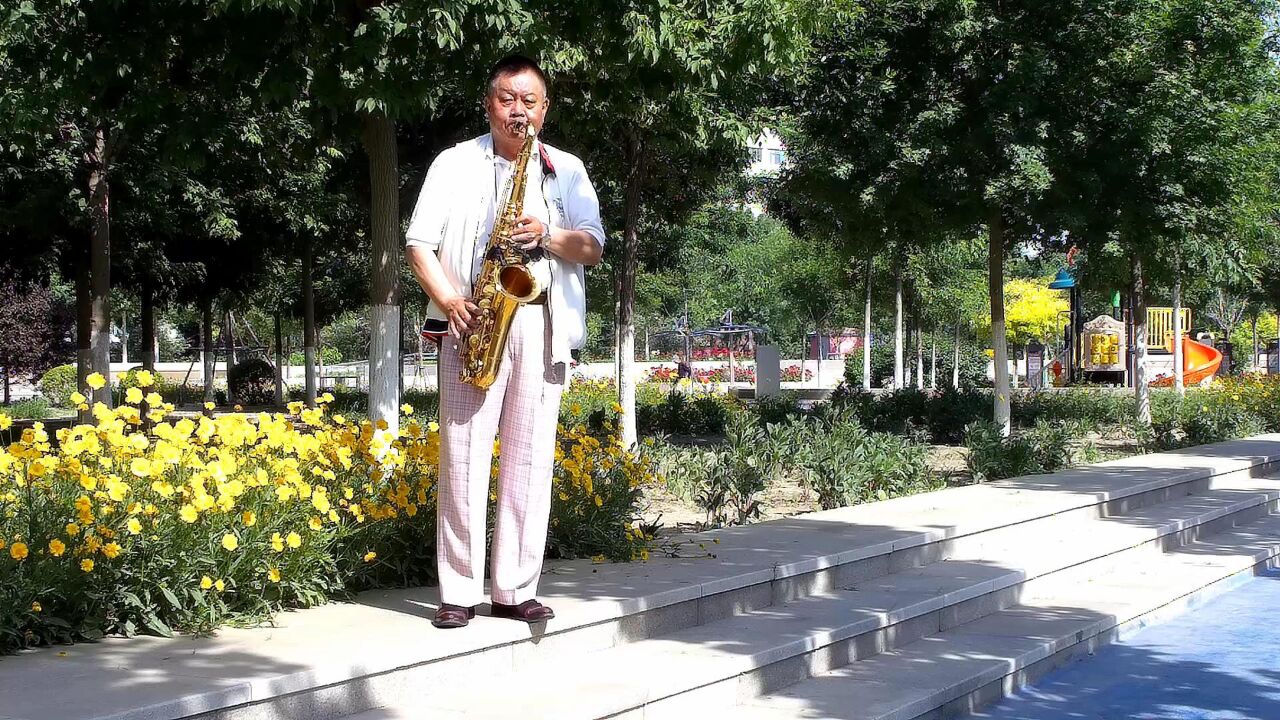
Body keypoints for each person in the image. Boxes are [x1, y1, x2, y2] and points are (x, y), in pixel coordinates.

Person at [405, 55, 605, 629]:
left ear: (545, 109)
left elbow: (592, 247)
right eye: (506, 98)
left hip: (541, 321)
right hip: (474, 319)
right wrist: (449, 301)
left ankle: (515, 589)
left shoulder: (565, 169)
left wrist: (549, 235)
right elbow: (419, 243)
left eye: (529, 101)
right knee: (462, 456)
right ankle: (458, 591)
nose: (517, 111)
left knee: (531, 459)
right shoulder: (453, 163)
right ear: (488, 103)